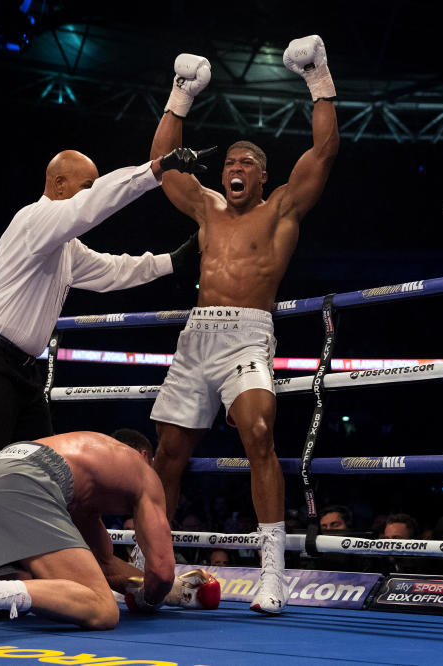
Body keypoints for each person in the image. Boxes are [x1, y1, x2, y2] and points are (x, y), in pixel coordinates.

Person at [148, 35, 340, 615]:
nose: (235, 168)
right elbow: (161, 167)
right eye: (229, 162)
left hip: (249, 334)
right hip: (196, 334)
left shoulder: (281, 209)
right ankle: (151, 569)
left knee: (259, 434)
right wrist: (180, 97)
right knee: (166, 457)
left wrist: (319, 80)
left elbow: (325, 152)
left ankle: (273, 574)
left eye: (246, 164)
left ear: (263, 176)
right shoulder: (205, 207)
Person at [0, 149, 211, 471]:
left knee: (38, 470)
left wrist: (172, 261)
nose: (92, 193)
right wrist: (155, 170)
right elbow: (93, 205)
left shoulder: (65, 247)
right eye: (87, 185)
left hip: (21, 368)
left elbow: (113, 270)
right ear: (59, 185)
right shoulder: (36, 220)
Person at [0, 432, 220, 642]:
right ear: (145, 455)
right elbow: (160, 569)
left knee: (40, 583)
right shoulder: (144, 474)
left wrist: (155, 588)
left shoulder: (83, 468)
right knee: (101, 608)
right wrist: (153, 596)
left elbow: (102, 565)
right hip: (17, 485)